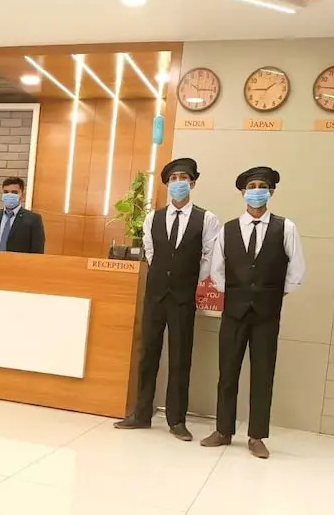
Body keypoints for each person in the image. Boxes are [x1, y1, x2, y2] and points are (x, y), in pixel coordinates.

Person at [200, 166, 306, 459]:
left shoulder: (286, 228)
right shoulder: (228, 229)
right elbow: (216, 270)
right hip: (234, 312)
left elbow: (297, 270)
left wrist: (273, 293)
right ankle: (223, 430)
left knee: (262, 374)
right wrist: (237, 294)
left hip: (266, 315)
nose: (256, 191)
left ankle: (257, 435)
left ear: (271, 191)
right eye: (251, 186)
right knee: (227, 372)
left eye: (262, 186)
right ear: (243, 192)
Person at [114, 157, 221, 441]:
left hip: (184, 296)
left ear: (192, 183)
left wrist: (189, 280)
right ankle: (141, 414)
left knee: (180, 357)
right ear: (167, 184)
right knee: (148, 353)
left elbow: (210, 256)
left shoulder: (207, 219)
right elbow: (150, 251)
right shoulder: (153, 218)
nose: (178, 183)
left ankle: (177, 420)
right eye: (173, 179)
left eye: (183, 178)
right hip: (156, 294)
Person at [0, 177, 45, 253]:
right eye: (6, 192)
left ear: (22, 196)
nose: (9, 195)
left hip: (18, 260)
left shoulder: (33, 220)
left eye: (14, 192)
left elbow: (37, 251)